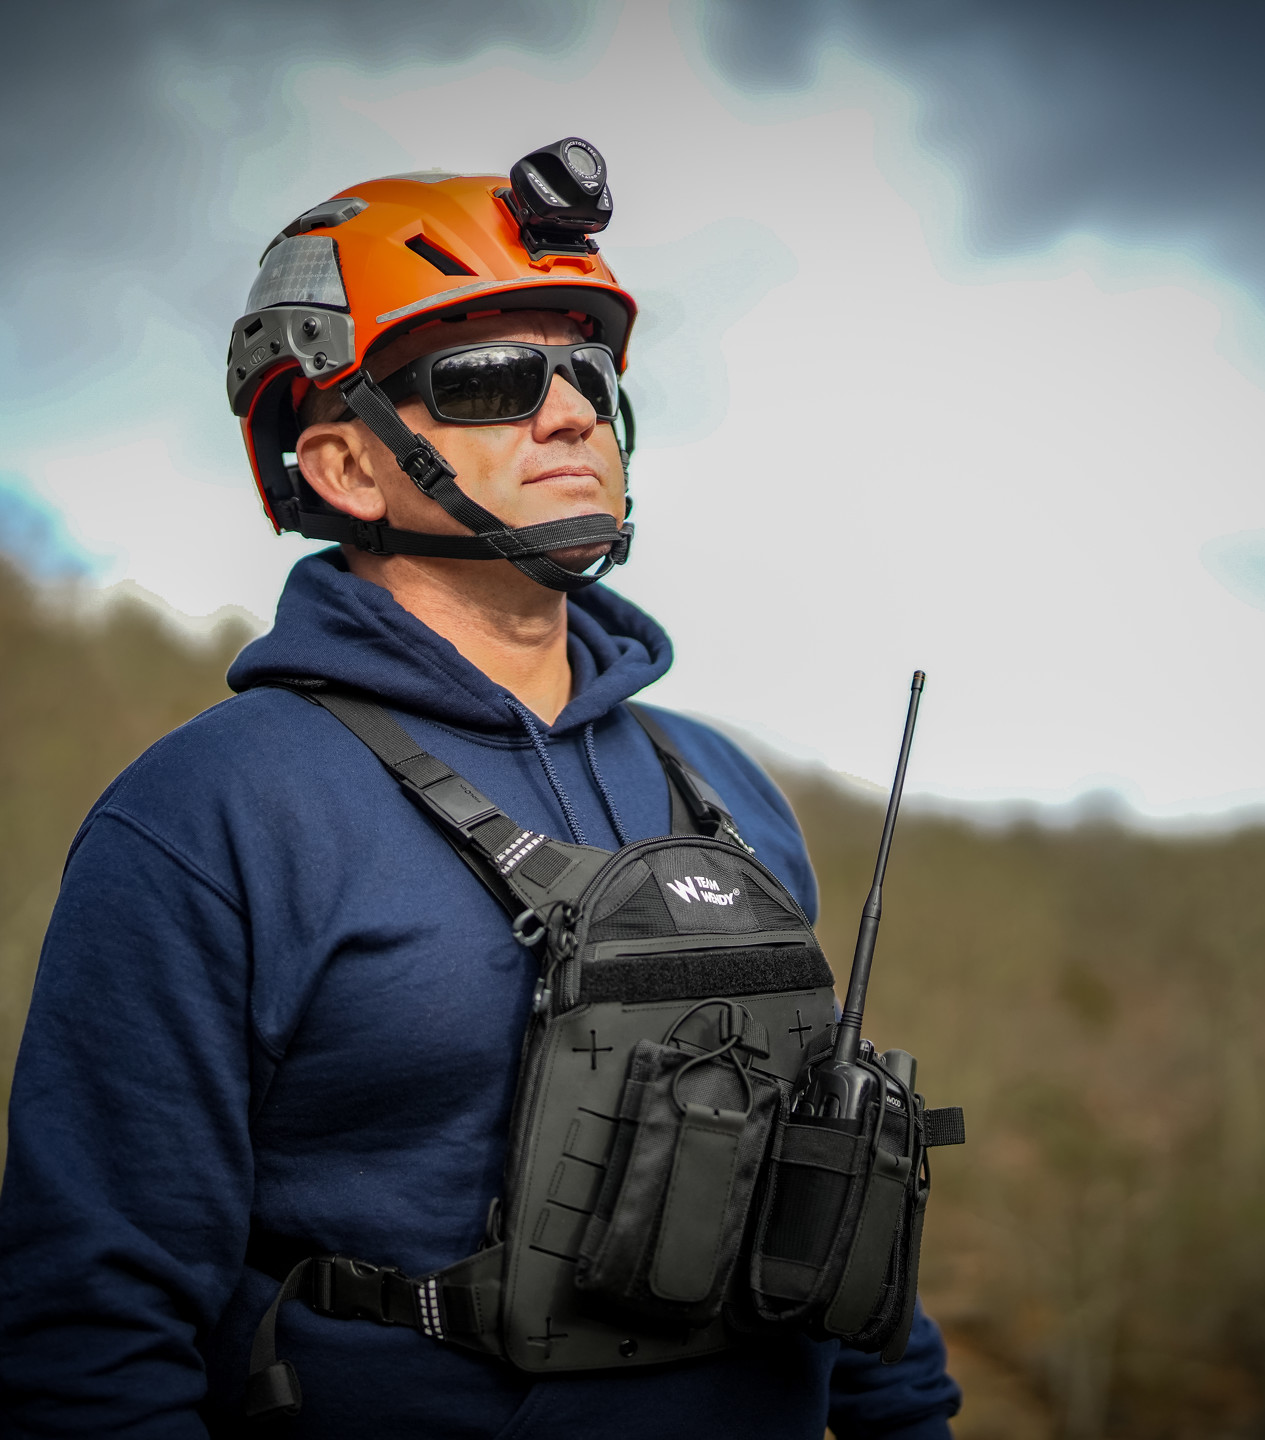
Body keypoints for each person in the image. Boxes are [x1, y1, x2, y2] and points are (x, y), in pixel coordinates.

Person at [0, 142, 961, 1438]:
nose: (570, 412)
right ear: (347, 467)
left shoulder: (725, 789)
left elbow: (832, 1201)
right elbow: (92, 1329)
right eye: (494, 378)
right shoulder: (210, 817)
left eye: (588, 374)